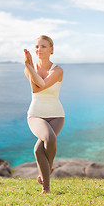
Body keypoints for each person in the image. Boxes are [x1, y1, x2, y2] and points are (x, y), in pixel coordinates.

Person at [24, 35, 65, 194]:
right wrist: (29, 67)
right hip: (35, 115)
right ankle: (49, 168)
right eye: (36, 47)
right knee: (50, 138)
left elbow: (42, 84)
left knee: (38, 150)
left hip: (57, 115)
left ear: (51, 49)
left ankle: (45, 188)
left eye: (43, 46)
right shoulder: (29, 68)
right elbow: (35, 89)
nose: (38, 49)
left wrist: (29, 67)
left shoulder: (58, 70)